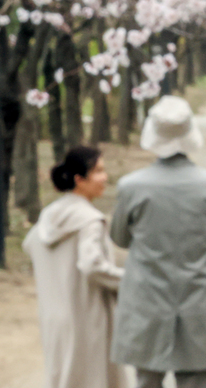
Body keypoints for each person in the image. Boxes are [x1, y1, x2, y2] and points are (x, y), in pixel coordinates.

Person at [111, 95, 206, 388]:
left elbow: (120, 238)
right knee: (197, 379)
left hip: (147, 300)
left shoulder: (131, 186)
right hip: (197, 298)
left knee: (147, 379)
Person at [23, 146, 127, 388]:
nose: (105, 177)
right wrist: (130, 279)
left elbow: (29, 244)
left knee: (63, 378)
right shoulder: (90, 220)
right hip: (87, 316)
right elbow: (92, 265)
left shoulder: (50, 216)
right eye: (98, 171)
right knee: (93, 379)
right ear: (79, 180)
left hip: (54, 317)